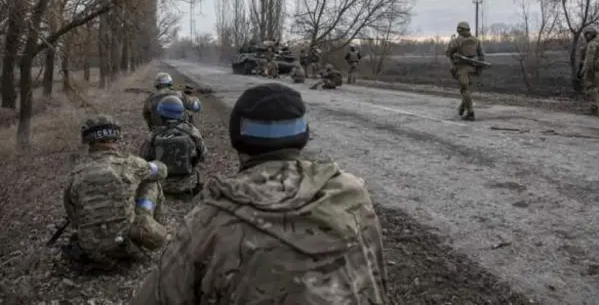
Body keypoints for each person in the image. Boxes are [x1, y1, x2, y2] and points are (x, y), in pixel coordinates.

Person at [131, 83, 389, 304]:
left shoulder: (207, 220)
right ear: (304, 136)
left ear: (237, 141)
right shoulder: (352, 196)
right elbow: (376, 281)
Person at [62, 115, 169, 269]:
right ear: (115, 137)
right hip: (126, 241)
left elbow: (72, 214)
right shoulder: (131, 164)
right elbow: (162, 172)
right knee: (152, 182)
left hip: (91, 248)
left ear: (89, 141)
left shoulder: (75, 174)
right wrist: (151, 166)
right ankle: (155, 224)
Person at [139, 95, 207, 197]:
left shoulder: (154, 134)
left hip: (162, 186)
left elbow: (143, 158)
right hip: (189, 185)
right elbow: (203, 154)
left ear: (161, 115)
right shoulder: (192, 131)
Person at [445, 21, 485, 121]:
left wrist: (452, 56)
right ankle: (462, 107)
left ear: (460, 29)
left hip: (461, 68)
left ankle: (470, 112)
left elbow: (448, 52)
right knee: (466, 89)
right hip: (473, 68)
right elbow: (481, 55)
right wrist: (479, 69)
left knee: (464, 89)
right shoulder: (476, 40)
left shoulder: (456, 41)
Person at [579, 26, 599, 115]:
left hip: (593, 69)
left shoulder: (592, 44)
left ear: (592, 34)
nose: (587, 36)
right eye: (586, 34)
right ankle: (594, 107)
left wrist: (583, 71)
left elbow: (589, 59)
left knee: (591, 88)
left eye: (589, 34)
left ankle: (594, 107)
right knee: (595, 88)